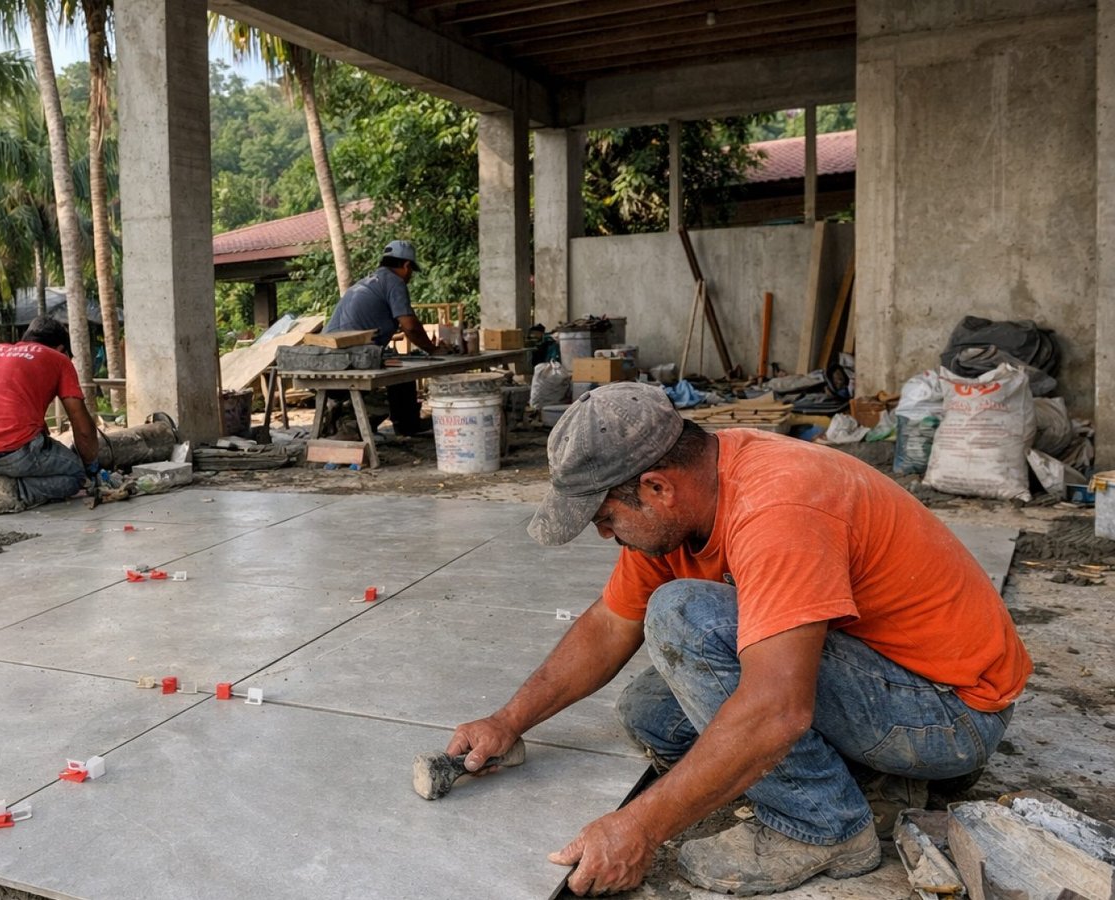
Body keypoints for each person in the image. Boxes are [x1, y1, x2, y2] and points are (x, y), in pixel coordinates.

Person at [448, 382, 1030, 896]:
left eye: (604, 518)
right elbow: (609, 624)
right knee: (651, 712)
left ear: (656, 488)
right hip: (880, 680)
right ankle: (878, 781)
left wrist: (639, 829)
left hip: (949, 710)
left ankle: (826, 827)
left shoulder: (778, 506)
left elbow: (777, 711)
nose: (605, 535)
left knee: (685, 616)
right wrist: (509, 721)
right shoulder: (687, 497)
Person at [0, 316, 99, 514]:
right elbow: (83, 429)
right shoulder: (58, 359)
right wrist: (91, 466)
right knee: (74, 475)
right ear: (62, 349)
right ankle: (16, 491)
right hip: (13, 453)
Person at [324, 239, 438, 436]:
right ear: (406, 265)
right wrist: (434, 350)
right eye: (410, 270)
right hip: (350, 360)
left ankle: (404, 424)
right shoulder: (395, 282)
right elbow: (410, 326)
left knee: (398, 365)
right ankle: (398, 423)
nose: (410, 275)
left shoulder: (369, 281)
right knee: (403, 371)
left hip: (326, 357)